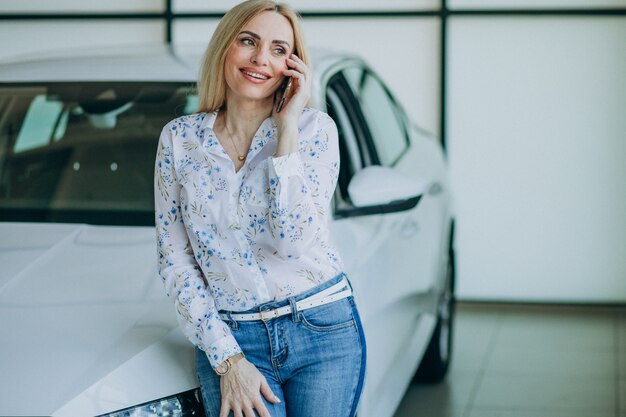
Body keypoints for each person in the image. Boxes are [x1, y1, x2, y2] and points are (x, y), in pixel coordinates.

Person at [154, 1, 366, 416]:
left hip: (322, 328)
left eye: (278, 49)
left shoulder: (315, 131)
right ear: (224, 48)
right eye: (248, 41)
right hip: (233, 337)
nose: (259, 59)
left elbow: (292, 243)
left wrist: (286, 128)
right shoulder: (179, 140)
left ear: (293, 64)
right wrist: (228, 361)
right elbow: (175, 261)